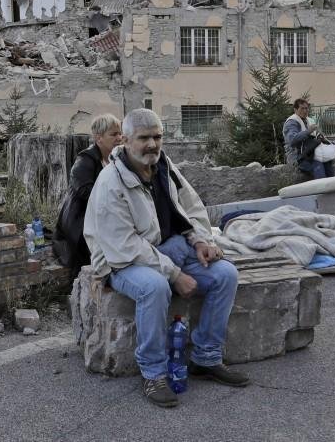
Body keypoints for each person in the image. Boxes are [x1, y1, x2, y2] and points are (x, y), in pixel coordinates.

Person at [83, 108, 248, 408]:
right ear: (126, 140)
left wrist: (200, 241)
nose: (152, 145)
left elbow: (191, 205)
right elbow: (124, 246)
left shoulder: (163, 166)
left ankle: (206, 358)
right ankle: (154, 373)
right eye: (144, 138)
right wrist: (174, 274)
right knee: (154, 287)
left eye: (157, 137)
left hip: (165, 249)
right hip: (119, 261)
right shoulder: (111, 182)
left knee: (225, 274)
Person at [52, 113, 123, 278]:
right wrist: (116, 199)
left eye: (120, 133)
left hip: (106, 214)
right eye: (113, 134)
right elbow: (85, 191)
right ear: (99, 138)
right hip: (81, 219)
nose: (119, 138)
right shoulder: (85, 159)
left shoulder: (118, 158)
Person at [283, 98, 335, 179]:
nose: (305, 111)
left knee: (328, 163)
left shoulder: (309, 120)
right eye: (302, 108)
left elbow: (314, 137)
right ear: (295, 109)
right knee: (318, 165)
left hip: (310, 154)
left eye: (306, 108)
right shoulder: (291, 122)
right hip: (298, 157)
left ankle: (333, 188)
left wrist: (321, 137)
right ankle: (322, 189)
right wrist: (308, 131)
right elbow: (292, 140)